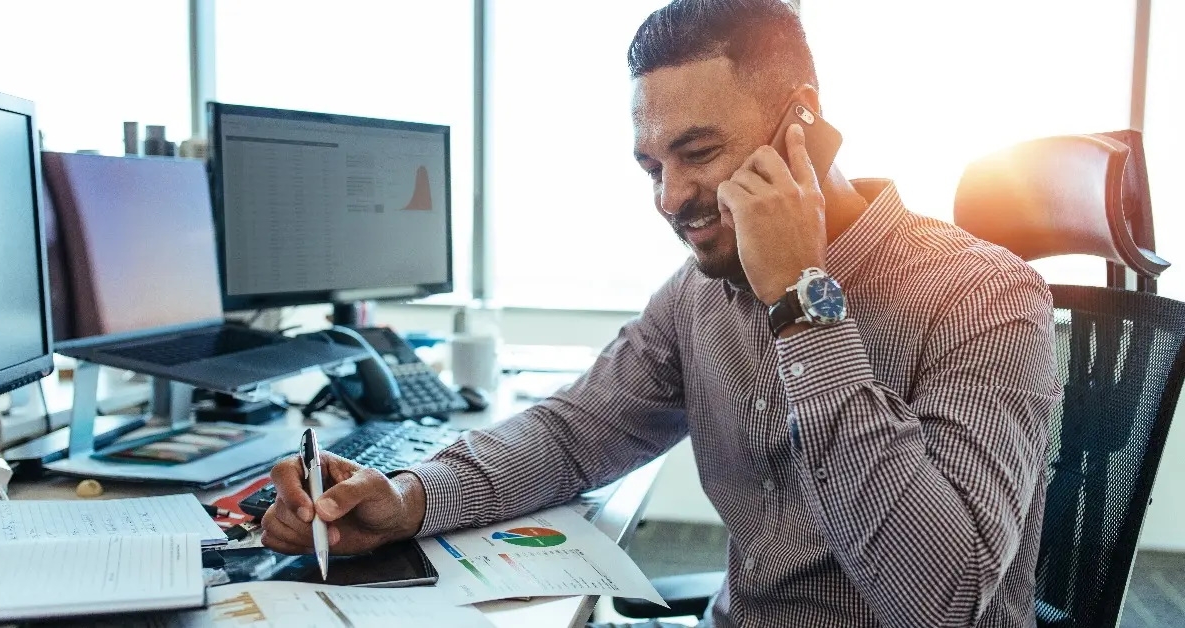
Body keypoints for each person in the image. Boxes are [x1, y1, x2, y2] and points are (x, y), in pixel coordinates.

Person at [262, 1, 1061, 626]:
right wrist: (410, 497)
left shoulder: (983, 297)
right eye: (651, 164)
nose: (670, 198)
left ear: (801, 123)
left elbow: (943, 600)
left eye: (699, 153)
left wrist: (800, 301)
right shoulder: (696, 295)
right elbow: (573, 434)